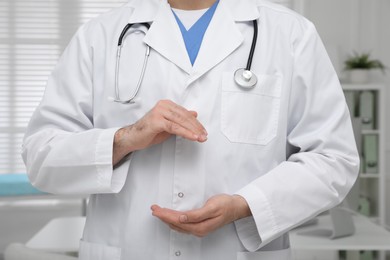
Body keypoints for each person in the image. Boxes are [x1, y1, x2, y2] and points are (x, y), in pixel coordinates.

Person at [22, 0, 359, 259]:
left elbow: (333, 160)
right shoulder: (101, 36)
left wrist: (245, 205)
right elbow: (41, 155)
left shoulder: (290, 34)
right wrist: (125, 138)